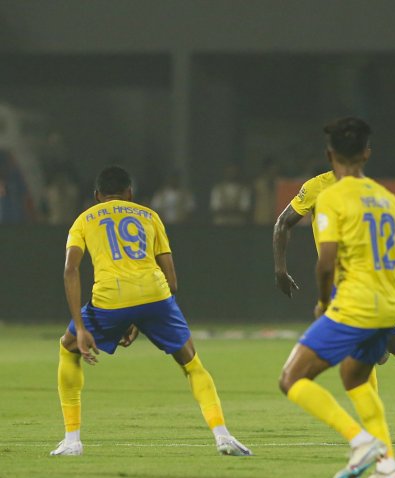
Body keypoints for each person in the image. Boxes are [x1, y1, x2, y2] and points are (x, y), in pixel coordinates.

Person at [50, 165, 251, 457]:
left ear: (97, 196)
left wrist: (81, 328)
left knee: (68, 348)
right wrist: (140, 318)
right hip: (155, 294)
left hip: (111, 298)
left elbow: (70, 269)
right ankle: (223, 436)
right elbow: (172, 280)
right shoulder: (150, 216)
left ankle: (71, 441)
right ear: (130, 193)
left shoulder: (83, 220)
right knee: (192, 364)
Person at [278, 117, 395, 478]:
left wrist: (322, 303)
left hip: (352, 303)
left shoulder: (330, 196)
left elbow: (326, 260)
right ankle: (388, 467)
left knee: (292, 379)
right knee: (356, 378)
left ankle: (361, 442)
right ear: (366, 153)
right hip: (386, 305)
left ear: (330, 154)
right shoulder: (385, 197)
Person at [274, 146, 395, 391]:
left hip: (378, 282)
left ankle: (376, 345)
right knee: (347, 363)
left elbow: (384, 239)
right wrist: (280, 269)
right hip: (346, 288)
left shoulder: (374, 193)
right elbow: (284, 222)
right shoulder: (318, 188)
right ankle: (370, 422)